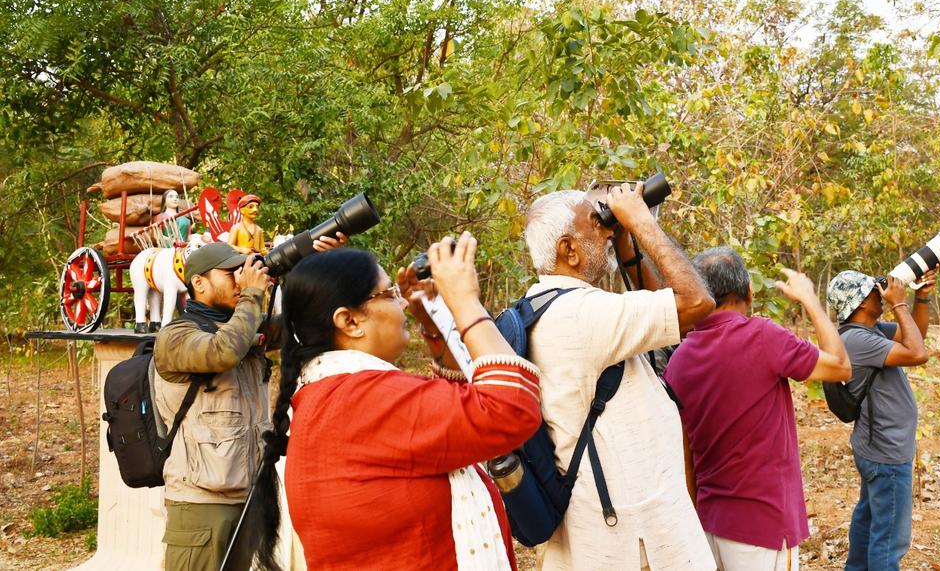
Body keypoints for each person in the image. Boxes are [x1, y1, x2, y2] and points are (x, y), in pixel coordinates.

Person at [250, 233, 543, 571]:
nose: (402, 303)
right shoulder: (363, 399)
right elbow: (510, 407)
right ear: (349, 321)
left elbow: (451, 417)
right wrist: (465, 303)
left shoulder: (335, 394)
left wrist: (436, 327)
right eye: (389, 294)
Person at [522, 183, 717, 571]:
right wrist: (641, 219)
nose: (608, 230)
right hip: (635, 534)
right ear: (569, 250)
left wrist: (625, 244)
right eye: (597, 224)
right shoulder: (585, 313)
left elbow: (663, 314)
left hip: (601, 519)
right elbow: (696, 302)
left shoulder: (540, 306)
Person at [154, 236, 344, 571]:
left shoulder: (243, 327)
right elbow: (223, 351)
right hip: (201, 502)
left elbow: (308, 327)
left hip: (247, 496)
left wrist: (316, 266)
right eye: (230, 273)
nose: (241, 279)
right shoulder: (175, 337)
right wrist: (252, 293)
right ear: (199, 282)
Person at [663, 248, 851, 570]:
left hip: (708, 523)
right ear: (749, 291)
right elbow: (840, 367)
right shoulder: (762, 336)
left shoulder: (678, 360)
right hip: (761, 525)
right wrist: (810, 300)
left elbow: (685, 456)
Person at [826, 269, 937, 571]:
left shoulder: (869, 331)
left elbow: (915, 336)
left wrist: (921, 298)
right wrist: (900, 304)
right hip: (887, 450)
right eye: (874, 291)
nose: (881, 293)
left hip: (878, 447)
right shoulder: (858, 340)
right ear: (861, 303)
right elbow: (918, 353)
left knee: (870, 521)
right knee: (889, 541)